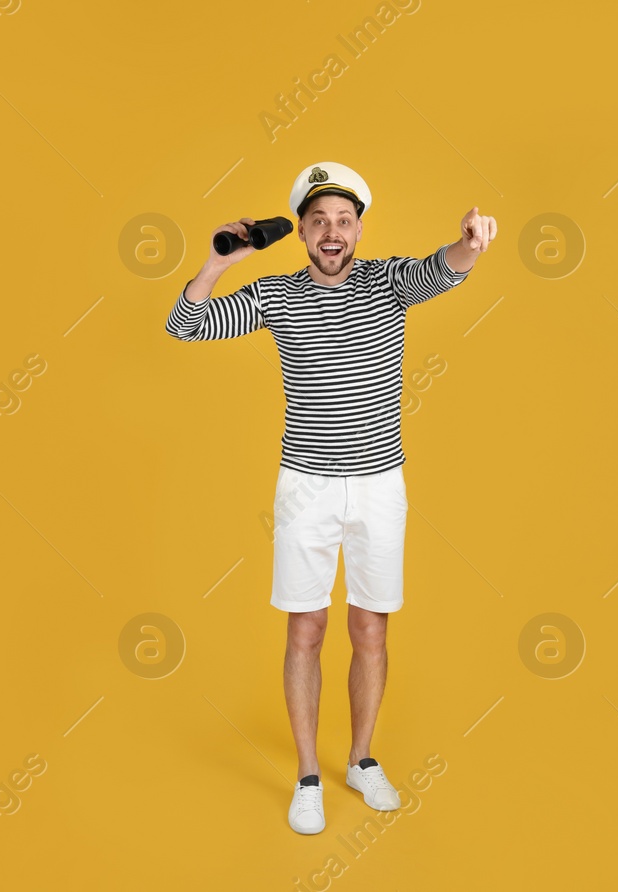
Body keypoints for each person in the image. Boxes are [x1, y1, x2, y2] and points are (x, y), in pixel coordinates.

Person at [164, 162, 496, 834]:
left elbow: (447, 265)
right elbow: (184, 325)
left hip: (379, 484)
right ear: (303, 234)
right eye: (318, 222)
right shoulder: (278, 296)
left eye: (344, 220)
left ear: (360, 228)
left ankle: (363, 760)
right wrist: (219, 258)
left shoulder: (388, 282)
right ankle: (309, 775)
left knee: (371, 625)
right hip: (305, 487)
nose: (332, 232)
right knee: (306, 627)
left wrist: (472, 242)